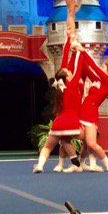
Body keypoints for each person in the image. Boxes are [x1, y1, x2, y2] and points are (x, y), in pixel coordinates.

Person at [34, 37, 86, 173]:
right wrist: (80, 50)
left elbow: (65, 64)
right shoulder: (73, 83)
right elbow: (78, 66)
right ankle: (80, 160)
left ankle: (40, 165)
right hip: (72, 121)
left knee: (49, 146)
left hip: (59, 122)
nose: (70, 71)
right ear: (67, 76)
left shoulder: (60, 88)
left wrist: (70, 44)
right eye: (69, 72)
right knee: (90, 140)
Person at [79, 61, 108, 172]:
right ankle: (83, 163)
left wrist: (82, 51)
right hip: (83, 111)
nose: (100, 68)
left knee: (91, 143)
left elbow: (94, 67)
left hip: (90, 113)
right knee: (86, 143)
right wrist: (79, 54)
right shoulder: (97, 80)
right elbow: (86, 68)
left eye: (103, 67)